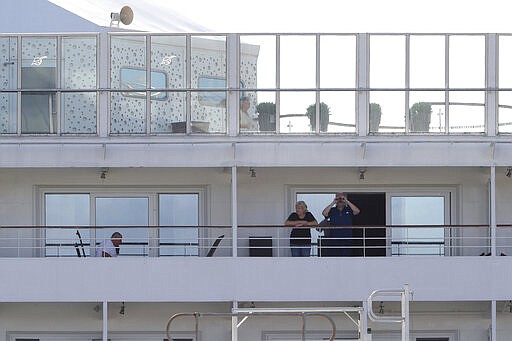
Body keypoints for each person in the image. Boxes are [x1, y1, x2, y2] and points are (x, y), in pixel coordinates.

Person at [321, 192, 360, 257]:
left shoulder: (349, 210)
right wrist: (333, 202)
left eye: (342, 198)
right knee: (334, 259)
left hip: (347, 239)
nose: (340, 200)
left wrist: (346, 201)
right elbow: (324, 213)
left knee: (346, 259)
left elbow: (357, 211)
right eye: (338, 198)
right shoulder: (332, 210)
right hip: (334, 239)